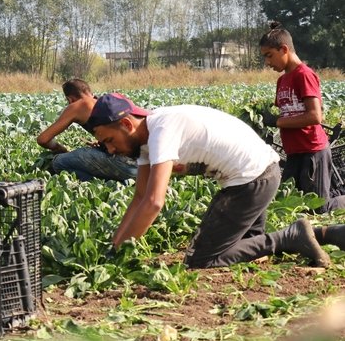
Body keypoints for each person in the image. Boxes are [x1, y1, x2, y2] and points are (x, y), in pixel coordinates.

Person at [88, 93, 345, 269]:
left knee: (201, 260)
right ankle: (325, 234)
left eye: (109, 140)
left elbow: (154, 202)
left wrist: (119, 258)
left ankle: (290, 236)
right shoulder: (146, 142)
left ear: (126, 123)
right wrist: (115, 246)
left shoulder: (161, 131)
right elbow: (140, 197)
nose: (110, 150)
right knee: (248, 251)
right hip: (260, 174)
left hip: (251, 181)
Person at [260, 21, 345, 213]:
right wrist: (265, 116)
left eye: (269, 56)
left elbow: (315, 116)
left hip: (312, 151)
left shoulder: (304, 75)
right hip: (294, 152)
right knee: (293, 205)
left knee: (318, 207)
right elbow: (290, 112)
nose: (267, 62)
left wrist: (277, 121)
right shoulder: (282, 80)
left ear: (284, 49)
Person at [36, 78, 147, 182]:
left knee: (59, 162)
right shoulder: (108, 102)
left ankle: (103, 184)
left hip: (131, 167)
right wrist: (104, 144)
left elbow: (43, 139)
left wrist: (62, 149)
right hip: (150, 163)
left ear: (70, 99)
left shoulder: (78, 106)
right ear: (89, 91)